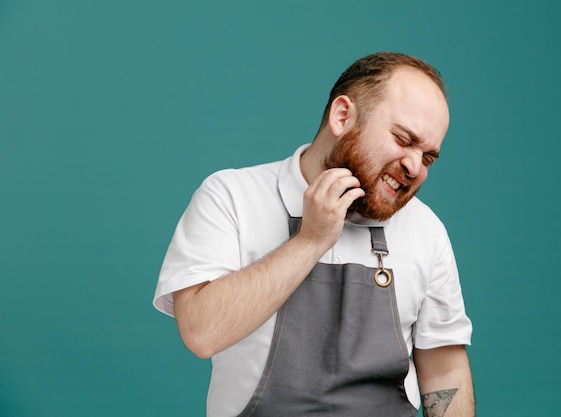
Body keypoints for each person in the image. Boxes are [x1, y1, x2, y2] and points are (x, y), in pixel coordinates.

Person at [153, 51, 474, 417]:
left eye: (428, 157)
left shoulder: (425, 229)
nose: (414, 166)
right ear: (342, 116)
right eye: (403, 139)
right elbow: (201, 332)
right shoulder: (231, 196)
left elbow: (444, 366)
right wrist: (310, 240)